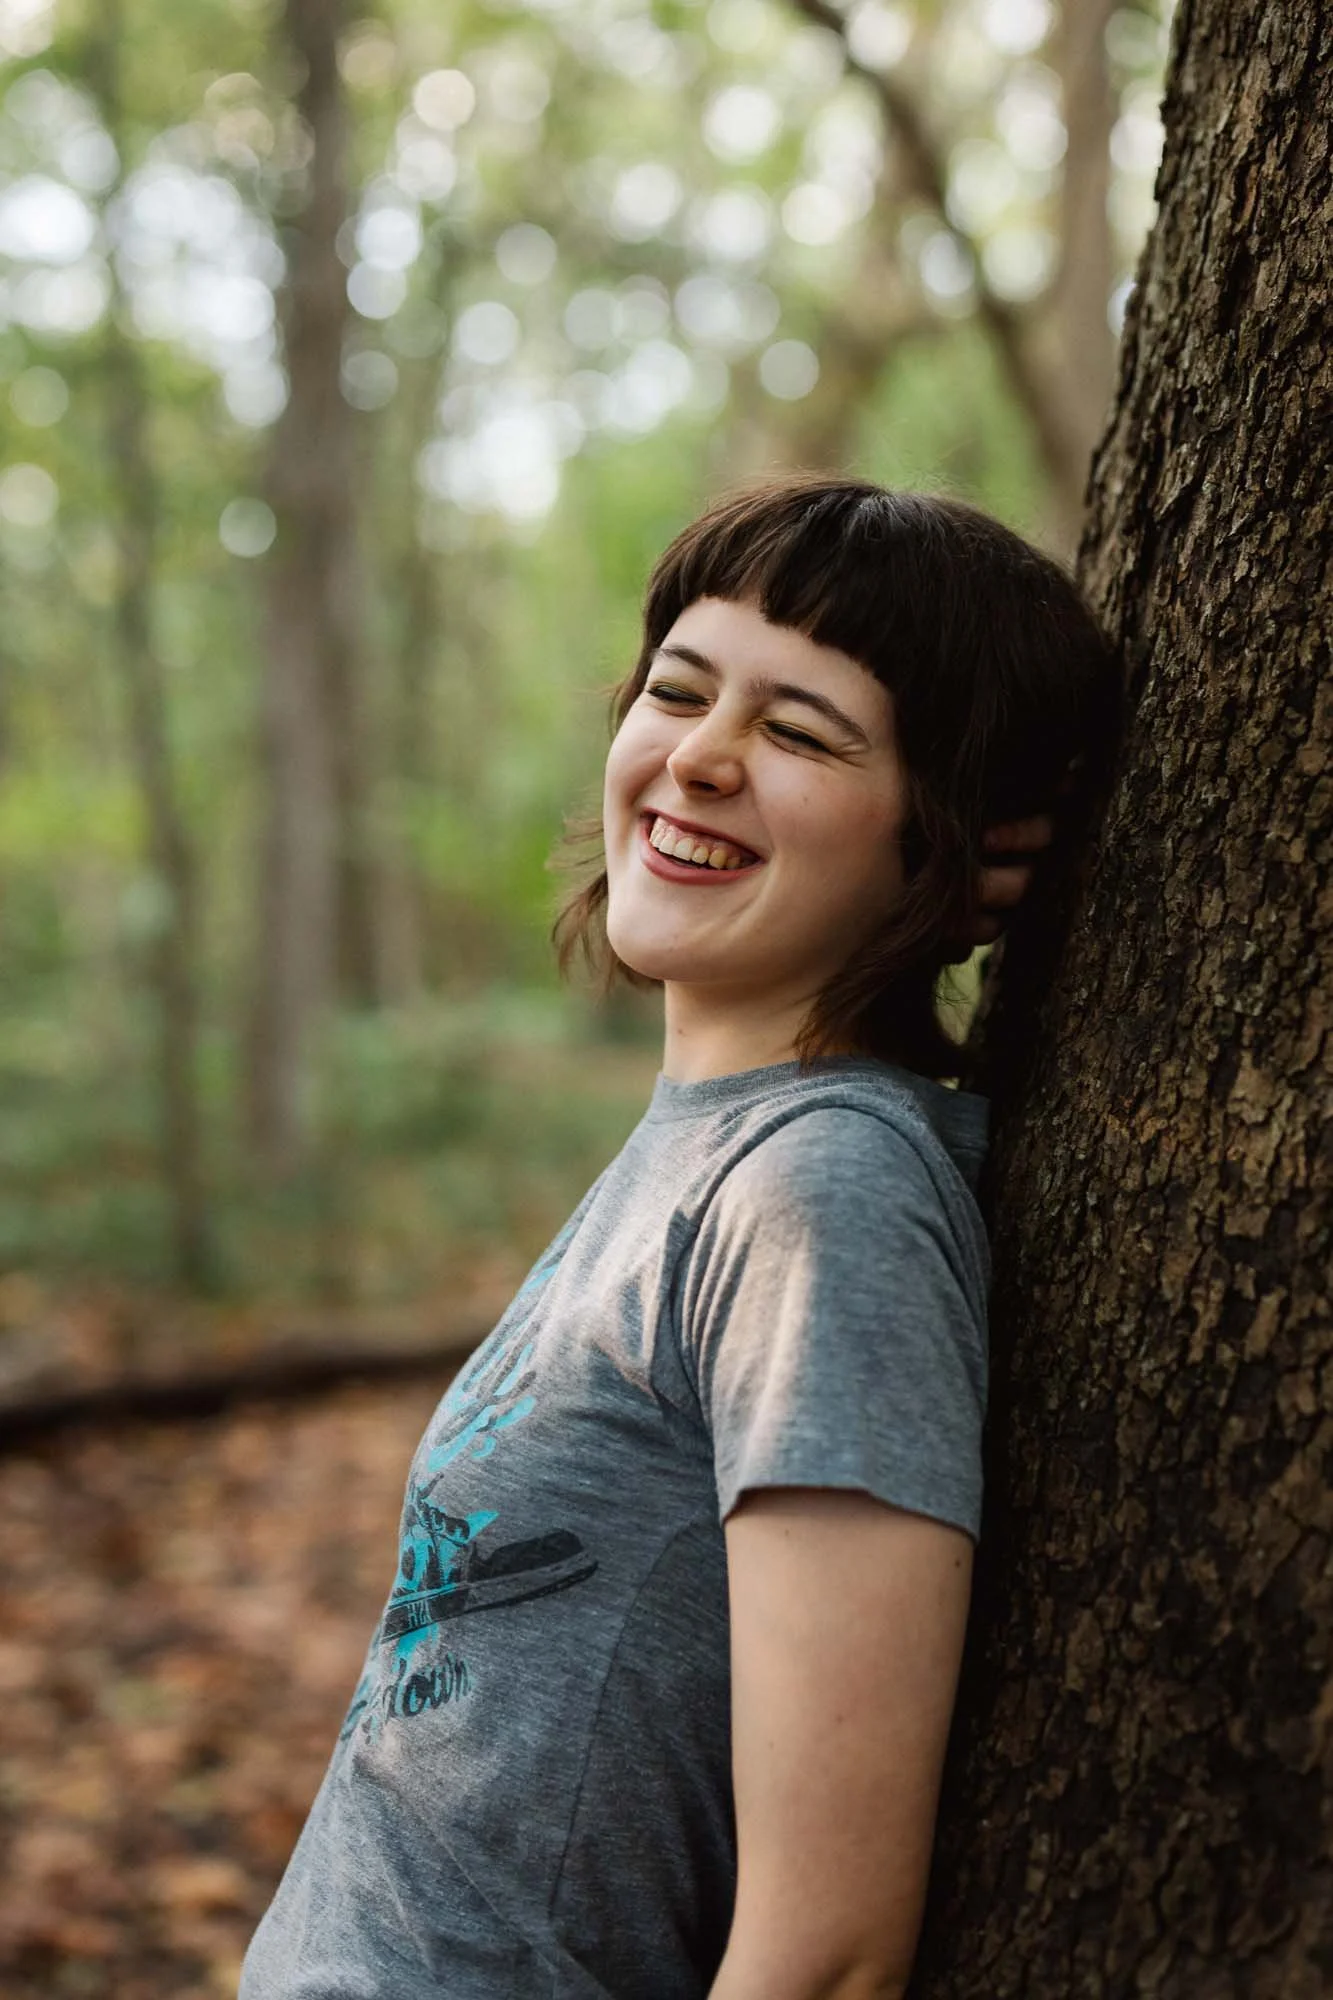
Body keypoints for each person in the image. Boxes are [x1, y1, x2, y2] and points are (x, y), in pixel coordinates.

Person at [240, 475, 1117, 2000]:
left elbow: (828, 1950)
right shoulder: (700, 1147)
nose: (700, 758)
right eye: (679, 690)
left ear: (949, 841)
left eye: (800, 733)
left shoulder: (822, 1193)